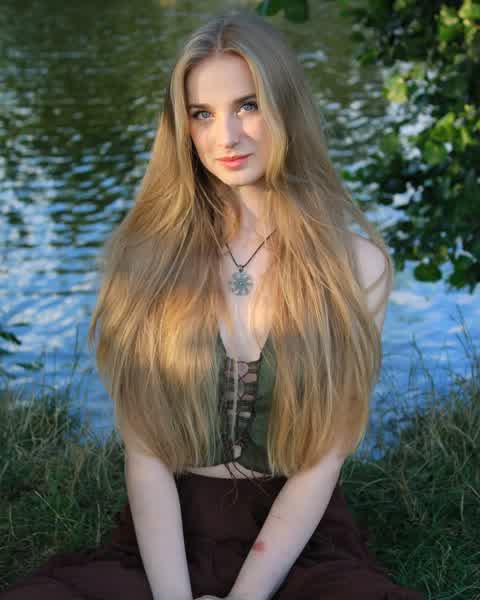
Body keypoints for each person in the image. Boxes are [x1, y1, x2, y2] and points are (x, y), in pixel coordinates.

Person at [1, 10, 425, 600]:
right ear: (183, 128)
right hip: (166, 539)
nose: (225, 137)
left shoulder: (357, 267)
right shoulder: (145, 260)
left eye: (247, 106)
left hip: (297, 543)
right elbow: (146, 455)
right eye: (202, 114)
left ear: (287, 108)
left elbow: (322, 462)